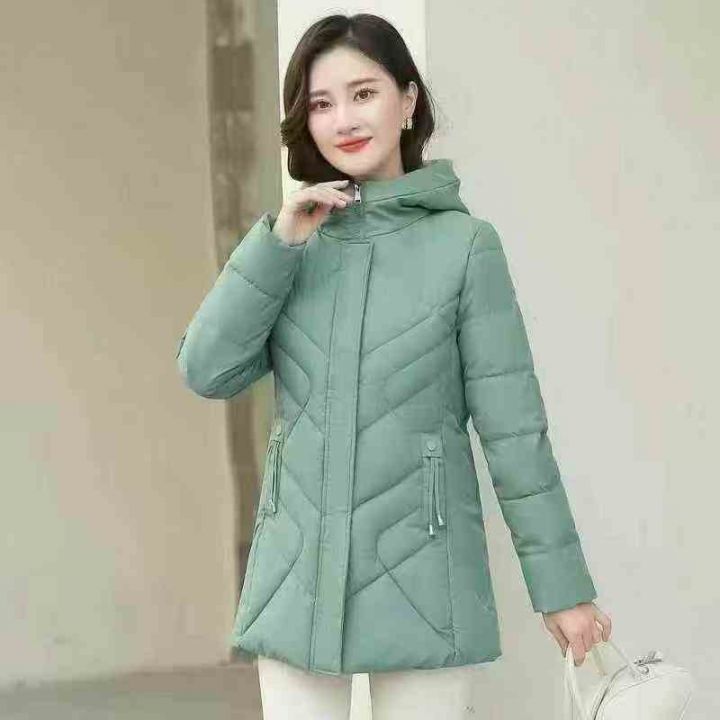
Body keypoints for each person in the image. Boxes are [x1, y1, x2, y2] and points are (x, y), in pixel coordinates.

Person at [176, 12, 612, 719]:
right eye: (322, 103)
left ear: (407, 101)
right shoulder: (291, 246)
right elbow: (206, 370)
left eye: (364, 93)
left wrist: (563, 589)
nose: (344, 119)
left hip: (425, 580)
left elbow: (514, 433)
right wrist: (276, 245)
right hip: (295, 578)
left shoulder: (465, 247)